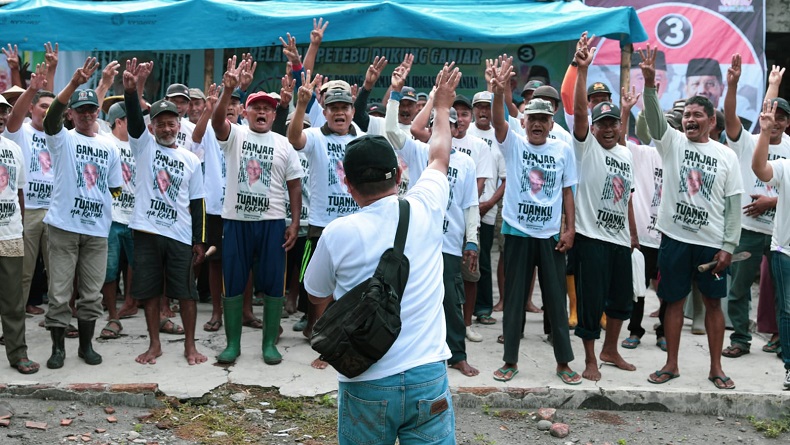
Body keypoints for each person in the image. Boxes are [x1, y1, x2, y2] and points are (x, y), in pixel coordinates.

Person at [304, 64, 460, 445]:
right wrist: (442, 106)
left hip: (366, 378)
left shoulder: (336, 234)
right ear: (399, 172)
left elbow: (316, 294)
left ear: (347, 183)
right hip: (428, 374)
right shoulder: (425, 207)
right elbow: (440, 156)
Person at [639, 46, 743, 390]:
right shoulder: (672, 144)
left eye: (698, 115)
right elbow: (653, 122)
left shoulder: (726, 156)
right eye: (687, 115)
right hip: (675, 239)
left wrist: (728, 247)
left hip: (711, 244)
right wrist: (650, 84)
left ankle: (716, 368)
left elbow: (733, 205)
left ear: (712, 122)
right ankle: (671, 364)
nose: (691, 119)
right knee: (673, 301)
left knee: (714, 305)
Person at [490, 56, 581, 384]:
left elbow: (568, 192)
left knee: (556, 301)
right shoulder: (513, 144)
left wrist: (570, 229)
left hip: (550, 236)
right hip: (516, 231)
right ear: (524, 120)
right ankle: (510, 360)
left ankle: (564, 363)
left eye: (544, 118)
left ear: (552, 120)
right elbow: (500, 123)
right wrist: (500, 92)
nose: (538, 124)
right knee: (514, 300)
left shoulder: (562, 149)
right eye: (533, 119)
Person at [385, 74, 480, 377]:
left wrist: (472, 240)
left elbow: (470, 205)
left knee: (452, 302)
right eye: (443, 123)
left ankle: (458, 354)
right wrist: (433, 98)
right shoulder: (417, 150)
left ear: (457, 128)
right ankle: (410, 352)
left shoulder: (464, 162)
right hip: (419, 240)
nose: (448, 128)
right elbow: (394, 130)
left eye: (453, 124)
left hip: (450, 244)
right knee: (413, 299)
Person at [211, 56, 303, 366]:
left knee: (274, 284)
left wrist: (294, 222)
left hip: (272, 223)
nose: (261, 111)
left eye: (267, 108)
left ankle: (268, 344)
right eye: (256, 107)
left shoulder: (283, 144)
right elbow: (216, 123)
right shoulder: (235, 134)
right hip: (236, 221)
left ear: (274, 113)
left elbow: (294, 185)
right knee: (234, 282)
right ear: (245, 112)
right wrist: (229, 91)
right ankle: (233, 344)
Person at [122, 58, 207, 366]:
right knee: (149, 291)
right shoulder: (143, 146)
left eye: (172, 123)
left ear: (178, 125)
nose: (167, 127)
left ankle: (189, 346)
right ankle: (154, 345)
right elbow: (133, 120)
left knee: (187, 293)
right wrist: (131, 93)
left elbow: (198, 201)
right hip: (146, 230)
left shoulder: (190, 159)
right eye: (161, 123)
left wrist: (199, 240)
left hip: (180, 234)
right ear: (152, 127)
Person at [42, 58, 124, 369]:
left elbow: (115, 187)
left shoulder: (110, 146)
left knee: (92, 295)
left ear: (98, 113)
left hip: (96, 231)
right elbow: (50, 119)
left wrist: (98, 198)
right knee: (60, 294)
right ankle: (58, 349)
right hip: (63, 227)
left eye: (92, 110)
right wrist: (74, 84)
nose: (88, 115)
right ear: (71, 114)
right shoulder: (62, 139)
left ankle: (86, 347)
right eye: (81, 110)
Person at [572, 33, 638, 381]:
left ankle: (610, 350)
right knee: (590, 303)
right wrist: (584, 71)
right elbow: (581, 111)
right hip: (590, 239)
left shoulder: (626, 153)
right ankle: (590, 359)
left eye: (614, 123)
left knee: (621, 303)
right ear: (594, 128)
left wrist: (633, 235)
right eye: (604, 124)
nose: (609, 128)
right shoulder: (587, 148)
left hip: (619, 241)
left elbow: (627, 196)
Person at [288, 69, 362, 369]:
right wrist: (302, 106)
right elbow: (294, 138)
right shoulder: (316, 137)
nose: (339, 113)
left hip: (355, 226)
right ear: (326, 112)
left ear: (352, 111)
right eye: (333, 108)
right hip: (320, 226)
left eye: (345, 107)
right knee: (317, 289)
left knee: (350, 287)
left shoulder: (363, 139)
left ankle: (337, 341)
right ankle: (320, 340)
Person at [722, 57, 790, 359]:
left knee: (782, 292)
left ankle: (778, 338)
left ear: (787, 122)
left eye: (781, 117)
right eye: (771, 114)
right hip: (748, 230)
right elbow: (730, 116)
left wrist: (772, 201)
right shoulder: (749, 141)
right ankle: (740, 338)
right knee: (737, 288)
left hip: (781, 233)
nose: (774, 121)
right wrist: (733, 85)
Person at [4, 63, 55, 316]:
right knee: (23, 272)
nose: (46, 111)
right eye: (42, 105)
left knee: (57, 273)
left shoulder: (60, 134)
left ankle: (57, 319)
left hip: (55, 213)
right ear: (31, 109)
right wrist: (32, 88)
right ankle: (15, 321)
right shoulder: (20, 131)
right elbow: (13, 117)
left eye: (50, 107)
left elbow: (55, 105)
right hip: (30, 211)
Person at [751, 98, 790, 390]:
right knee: (787, 311)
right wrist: (764, 132)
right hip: (785, 251)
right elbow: (760, 170)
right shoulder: (787, 166)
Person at [0, 93, 38, 374]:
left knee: (13, 300)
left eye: (4, 112)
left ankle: (18, 354)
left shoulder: (13, 149)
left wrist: (20, 225)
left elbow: (19, 192)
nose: (2, 117)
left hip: (10, 234)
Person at [99, 102, 137, 340]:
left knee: (139, 266)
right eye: (129, 119)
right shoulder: (105, 142)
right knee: (110, 270)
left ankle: (132, 302)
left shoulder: (140, 144)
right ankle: (112, 315)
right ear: (119, 122)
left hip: (135, 218)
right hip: (111, 218)